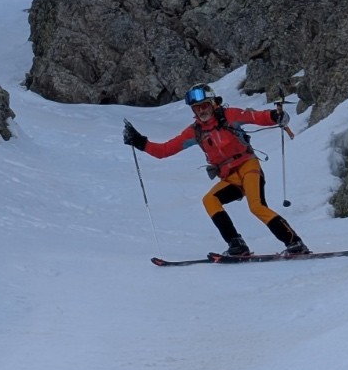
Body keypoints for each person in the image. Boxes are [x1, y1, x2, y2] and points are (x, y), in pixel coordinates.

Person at [123, 84, 310, 258]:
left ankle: (295, 243)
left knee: (257, 207)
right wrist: (140, 142)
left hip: (248, 167)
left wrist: (275, 116)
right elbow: (164, 150)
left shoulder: (230, 115)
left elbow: (255, 117)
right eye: (197, 108)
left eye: (204, 105)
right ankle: (236, 244)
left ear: (213, 103)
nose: (201, 110)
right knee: (210, 200)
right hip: (230, 178)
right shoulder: (195, 132)